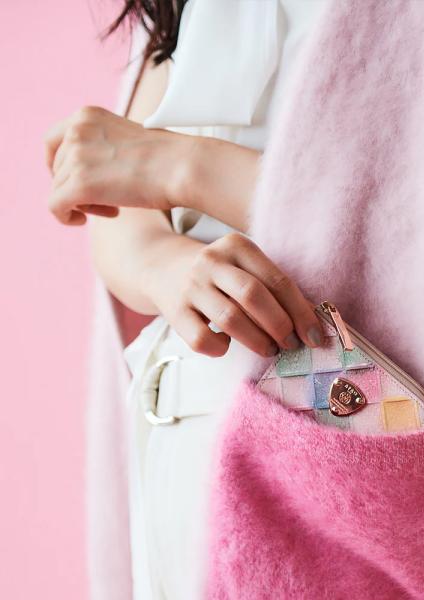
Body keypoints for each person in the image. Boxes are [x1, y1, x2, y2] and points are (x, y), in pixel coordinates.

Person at [45, 1, 328, 598]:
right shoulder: (171, 8)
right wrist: (168, 266)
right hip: (180, 467)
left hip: (356, 448)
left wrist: (183, 166)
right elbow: (122, 206)